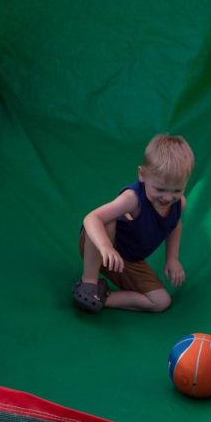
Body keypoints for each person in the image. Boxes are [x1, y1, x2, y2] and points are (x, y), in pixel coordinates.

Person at [73, 134, 194, 313]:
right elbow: (91, 218)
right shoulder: (133, 199)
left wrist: (172, 258)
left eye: (177, 190)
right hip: (99, 248)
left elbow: (175, 225)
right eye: (159, 189)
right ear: (142, 174)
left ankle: (100, 298)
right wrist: (106, 247)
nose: (168, 198)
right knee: (107, 221)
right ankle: (89, 283)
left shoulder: (179, 203)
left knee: (161, 301)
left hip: (127, 261)